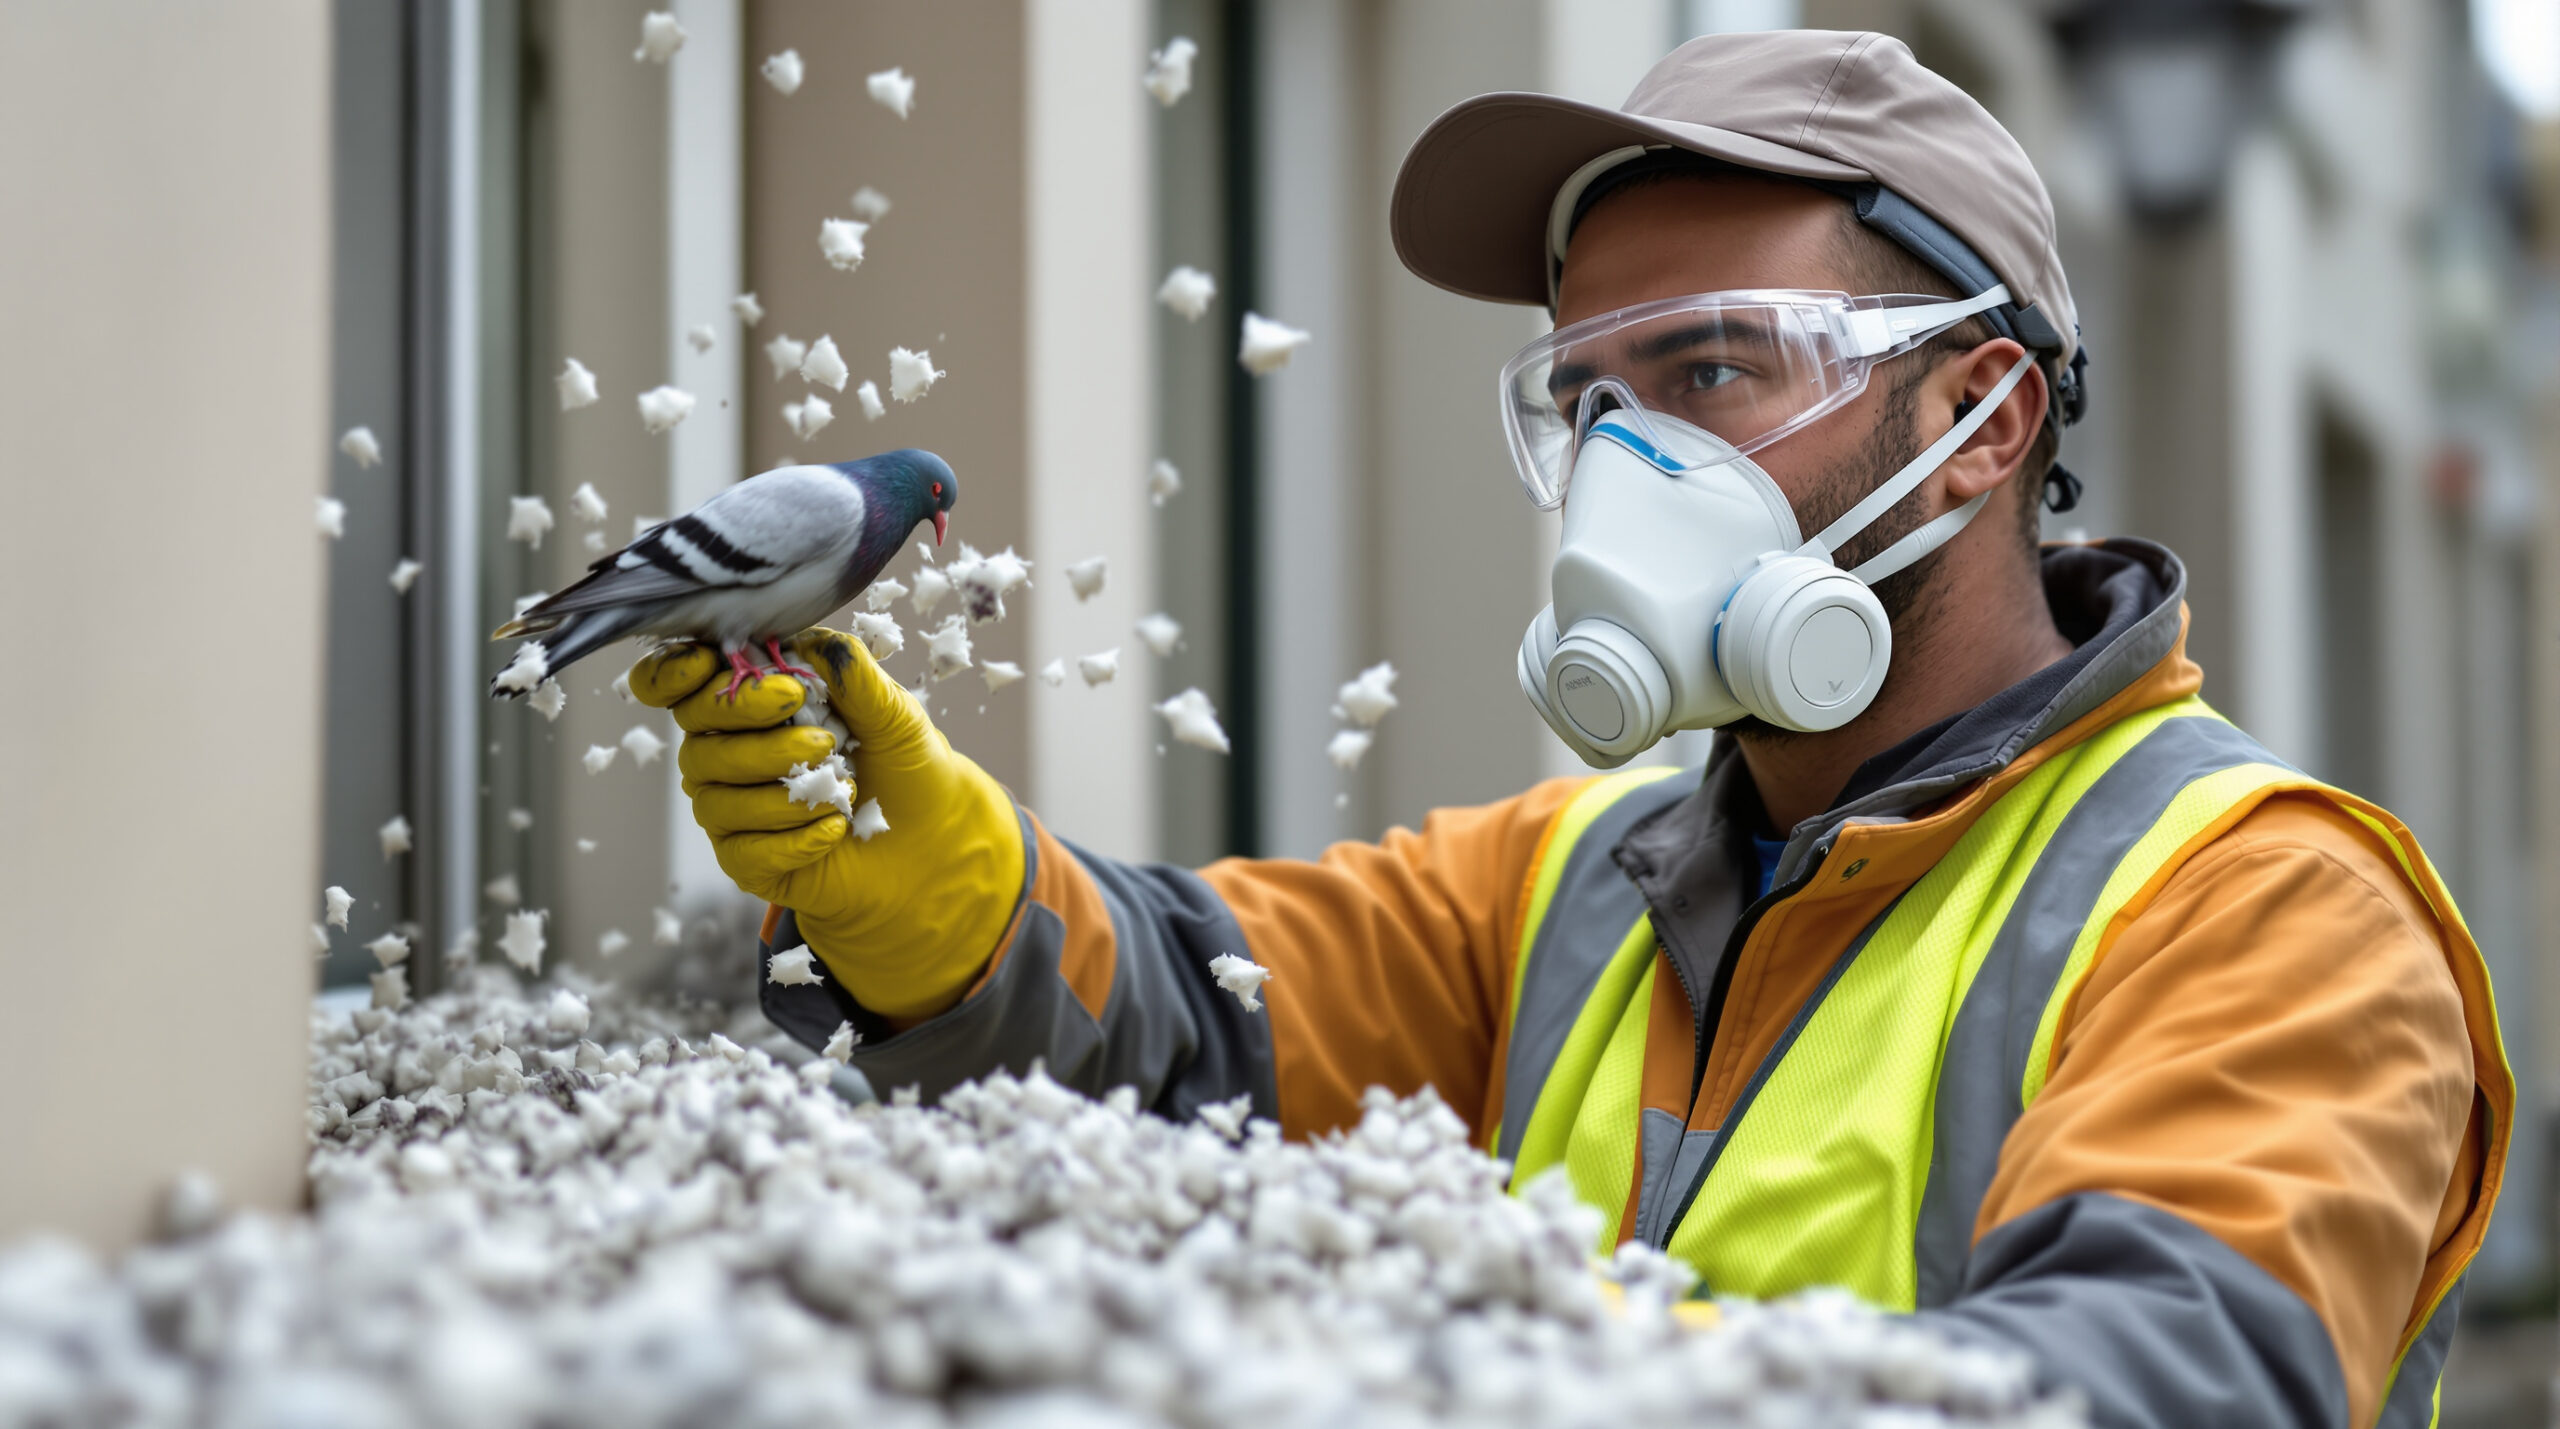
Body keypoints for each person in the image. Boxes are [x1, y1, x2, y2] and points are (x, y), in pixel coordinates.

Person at [630, 30, 2507, 1429]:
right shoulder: (1582, 881)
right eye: (1586, 402)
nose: (1630, 473)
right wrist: (942, 912)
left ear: (1985, 414)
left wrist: (1485, 1358)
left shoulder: (2268, 915)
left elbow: (2138, 1388)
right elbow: (1199, 1015)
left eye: (1709, 371)